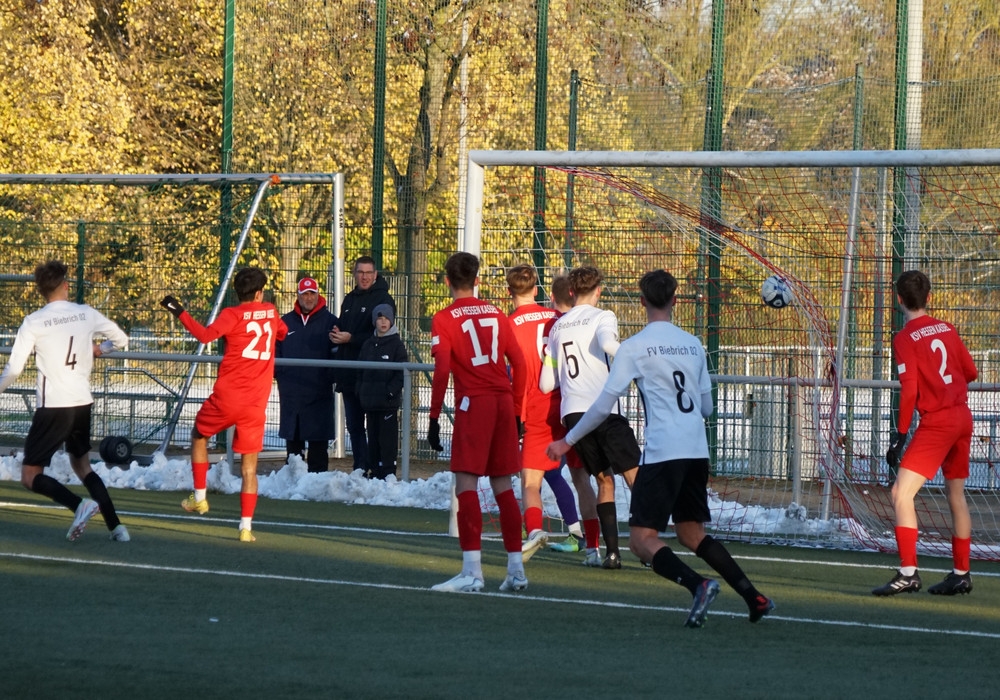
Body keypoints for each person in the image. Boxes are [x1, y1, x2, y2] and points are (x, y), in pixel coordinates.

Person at [548, 269, 774, 627]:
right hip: (696, 451)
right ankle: (754, 597)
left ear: (642, 301)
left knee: (641, 541)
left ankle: (698, 585)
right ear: (675, 301)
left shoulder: (634, 347)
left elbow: (603, 407)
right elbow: (706, 408)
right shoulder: (693, 344)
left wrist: (567, 440)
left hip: (664, 452)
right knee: (691, 533)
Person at [0, 260, 130, 542]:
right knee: (83, 466)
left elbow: (14, 369)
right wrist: (101, 348)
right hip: (82, 402)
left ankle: (78, 505)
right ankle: (117, 528)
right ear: (65, 286)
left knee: (30, 476)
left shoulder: (34, 321)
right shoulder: (85, 313)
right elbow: (120, 339)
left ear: (41, 290)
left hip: (54, 407)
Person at [160, 267, 288, 542]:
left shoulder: (232, 314)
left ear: (237, 292)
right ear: (259, 293)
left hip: (228, 397)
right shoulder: (270, 311)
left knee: (198, 435)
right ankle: (245, 528)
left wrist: (179, 311)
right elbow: (282, 332)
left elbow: (205, 336)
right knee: (249, 468)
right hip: (255, 403)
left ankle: (200, 498)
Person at [426, 251, 529, 592]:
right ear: (477, 281)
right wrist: (517, 411)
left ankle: (472, 571)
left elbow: (442, 369)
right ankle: (516, 570)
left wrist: (434, 416)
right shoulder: (497, 313)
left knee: (466, 484)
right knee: (503, 486)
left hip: (475, 404)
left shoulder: (444, 318)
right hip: (503, 403)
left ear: (447, 281)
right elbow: (521, 364)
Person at [872, 269, 978, 596]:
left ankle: (908, 573)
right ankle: (961, 574)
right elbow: (971, 371)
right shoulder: (947, 328)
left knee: (900, 494)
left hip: (939, 422)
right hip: (962, 416)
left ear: (899, 300)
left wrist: (901, 434)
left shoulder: (904, 338)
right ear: (929, 297)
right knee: (956, 495)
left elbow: (909, 391)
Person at [539, 265, 638, 569]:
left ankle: (612, 553)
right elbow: (608, 345)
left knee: (603, 480)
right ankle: (648, 545)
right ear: (599, 291)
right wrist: (636, 360)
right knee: (634, 478)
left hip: (573, 413)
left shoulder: (557, 327)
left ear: (571, 292)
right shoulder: (603, 316)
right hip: (603, 408)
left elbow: (546, 383)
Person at [505, 265, 593, 561]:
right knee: (572, 476)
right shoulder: (556, 317)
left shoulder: (509, 324)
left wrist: (515, 416)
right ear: (536, 289)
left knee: (530, 480)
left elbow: (514, 373)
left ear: (509, 291)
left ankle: (533, 530)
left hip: (535, 408)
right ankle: (586, 538)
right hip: (570, 406)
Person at [330, 255, 396, 475]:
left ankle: (378, 469)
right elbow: (343, 326)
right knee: (354, 425)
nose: (364, 277)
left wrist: (351, 338)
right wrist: (337, 333)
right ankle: (360, 466)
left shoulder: (383, 299)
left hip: (373, 376)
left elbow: (382, 334)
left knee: (375, 426)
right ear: (354, 274)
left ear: (375, 275)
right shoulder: (349, 299)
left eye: (368, 272)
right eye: (360, 272)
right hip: (350, 374)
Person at [275, 277, 338, 473]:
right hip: (291, 394)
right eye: (304, 294)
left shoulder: (331, 322)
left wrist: (328, 377)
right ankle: (293, 482)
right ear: (298, 295)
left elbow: (337, 354)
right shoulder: (284, 322)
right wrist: (281, 375)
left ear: (318, 295)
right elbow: (275, 351)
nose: (308, 298)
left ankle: (318, 483)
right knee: (293, 451)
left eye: (312, 293)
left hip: (319, 394)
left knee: (318, 448)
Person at [357, 303, 408, 479]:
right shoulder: (368, 345)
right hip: (370, 403)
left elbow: (401, 374)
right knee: (372, 438)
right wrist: (361, 391)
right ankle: (375, 470)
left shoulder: (397, 345)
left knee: (387, 440)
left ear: (392, 321)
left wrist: (390, 392)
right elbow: (360, 371)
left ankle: (388, 472)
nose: (383, 322)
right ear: (374, 321)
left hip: (387, 404)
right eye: (380, 318)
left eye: (387, 318)